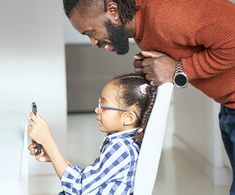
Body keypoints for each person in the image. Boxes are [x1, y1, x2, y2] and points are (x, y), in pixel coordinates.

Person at [62, 0, 235, 195]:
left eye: (91, 32)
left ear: (113, 11)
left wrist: (178, 69)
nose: (93, 42)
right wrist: (154, 69)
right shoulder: (143, 24)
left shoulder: (167, 13)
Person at [27, 73, 157, 195]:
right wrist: (52, 156)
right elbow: (88, 180)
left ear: (128, 118)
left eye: (104, 106)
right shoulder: (126, 142)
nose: (97, 109)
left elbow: (79, 187)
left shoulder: (121, 148)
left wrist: (48, 141)